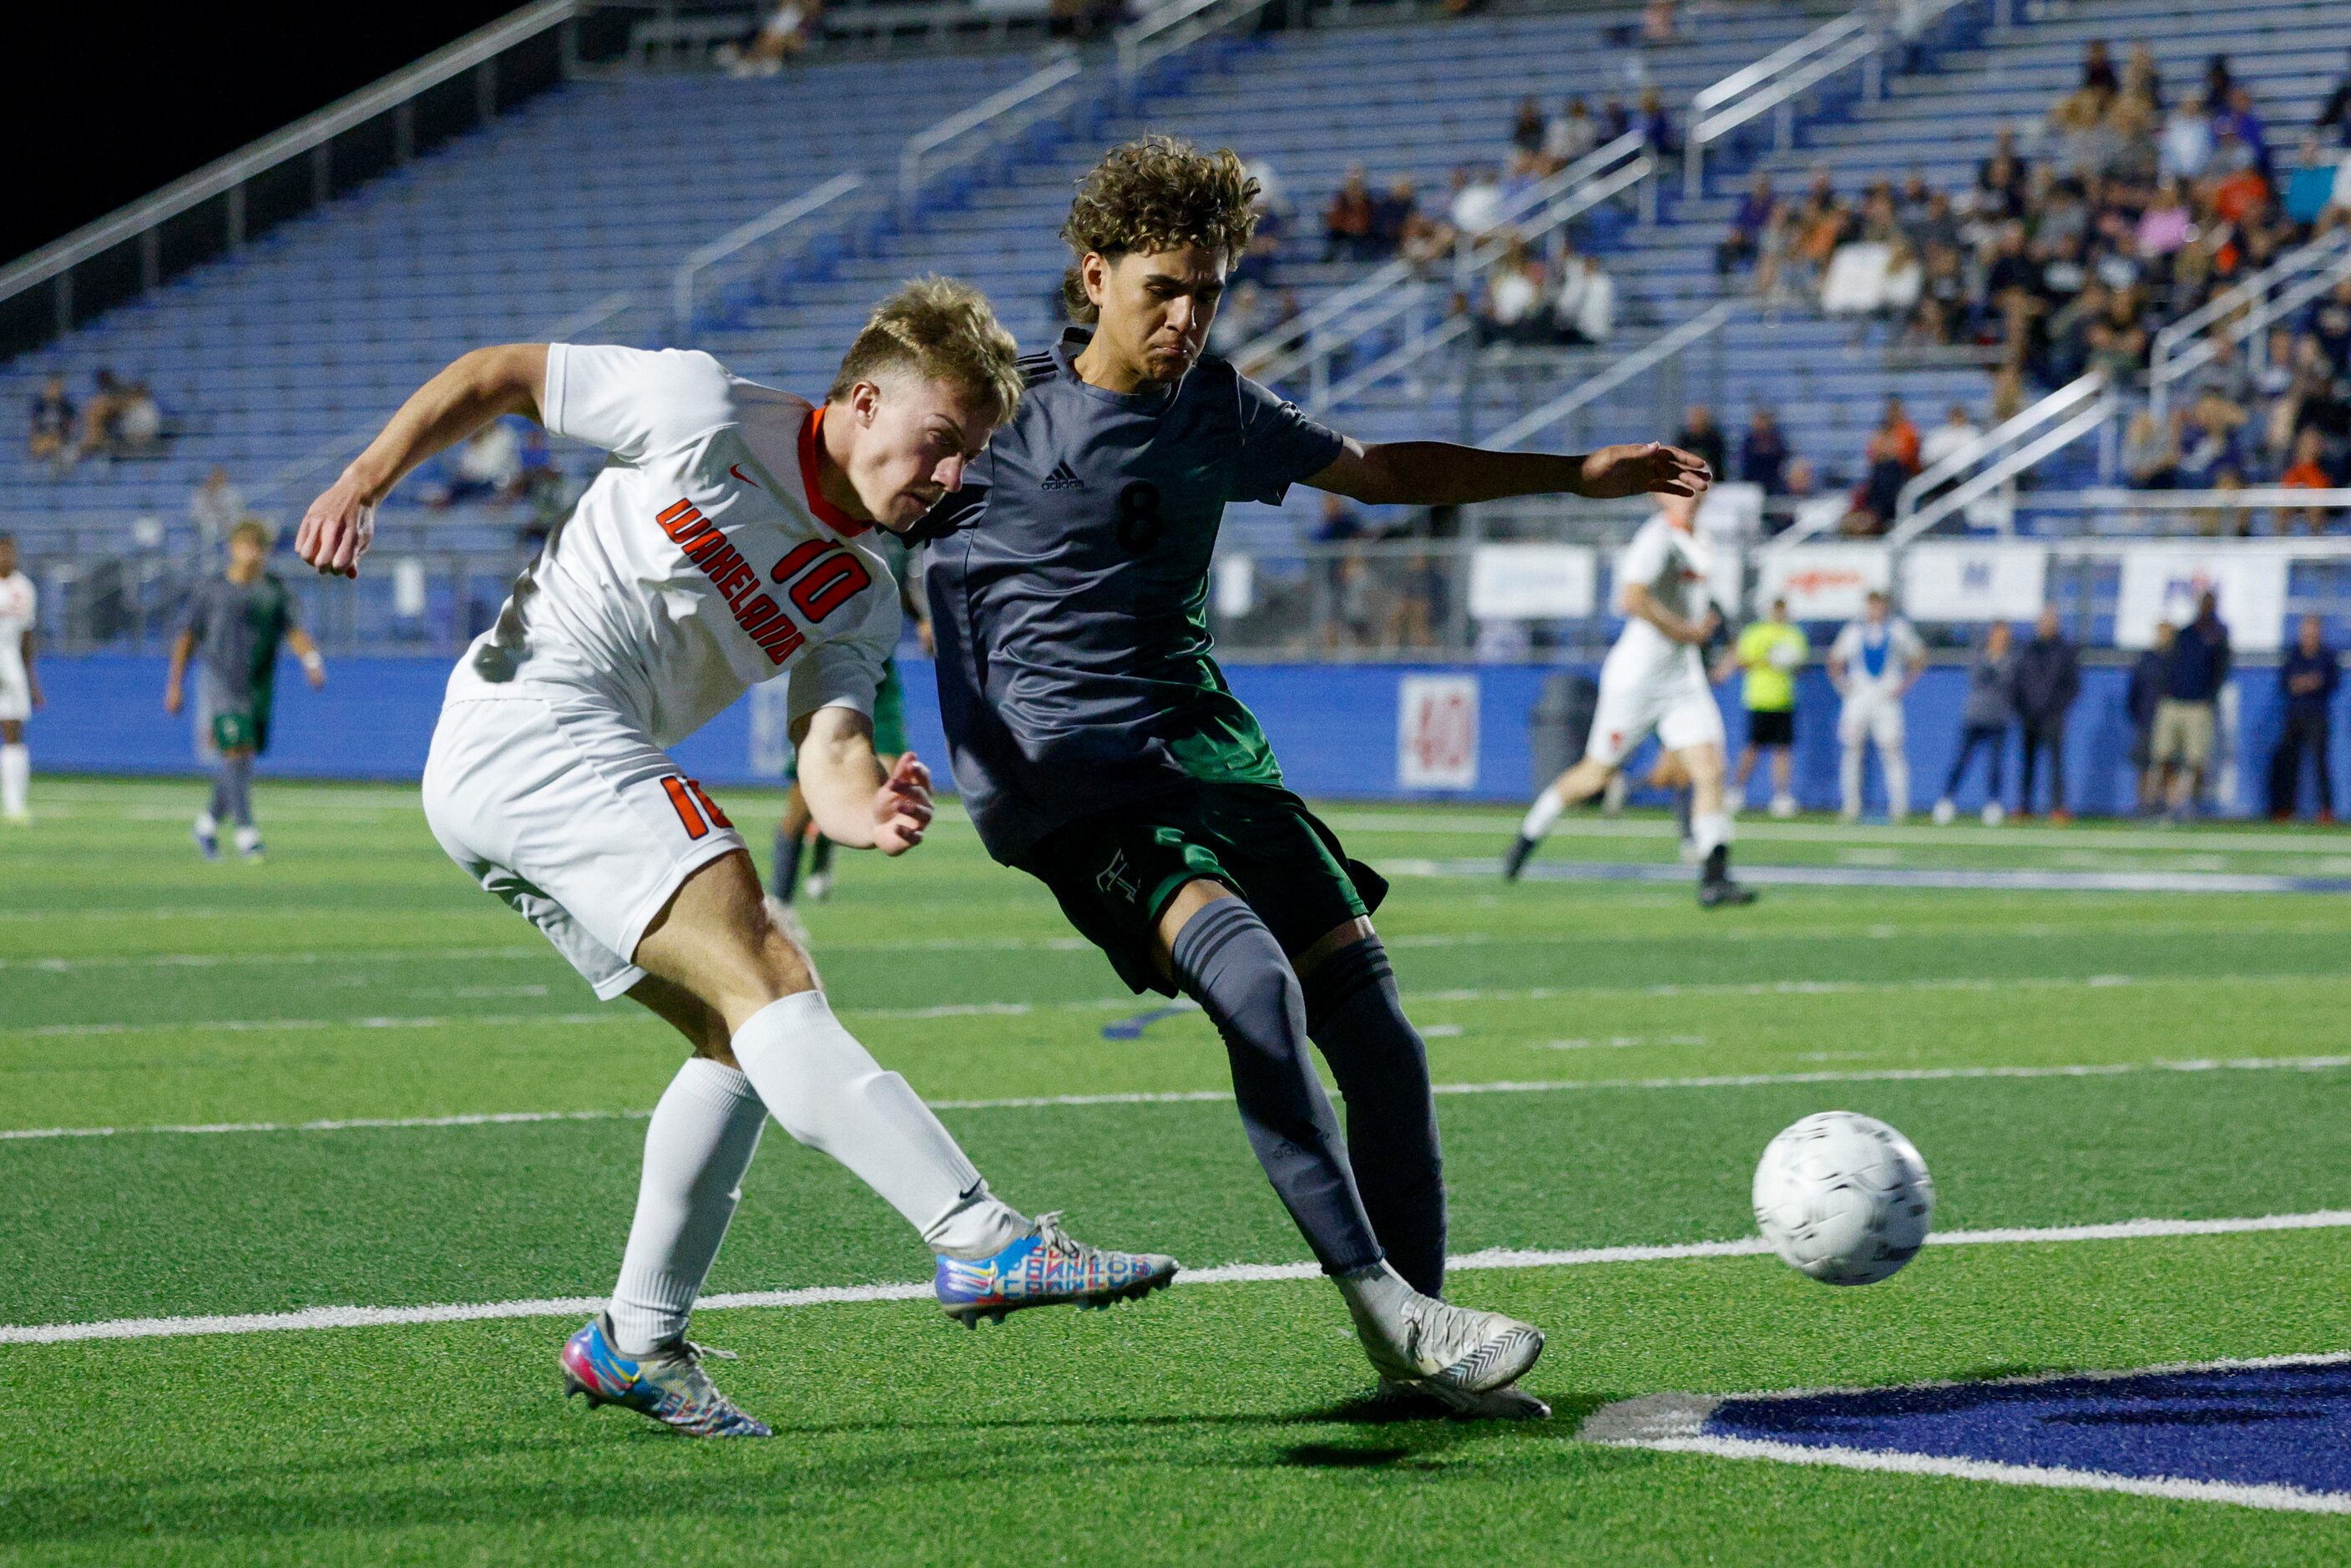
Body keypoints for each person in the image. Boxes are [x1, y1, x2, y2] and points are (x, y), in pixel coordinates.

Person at [291, 281, 1176, 1440]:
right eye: (940, 443)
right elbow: (499, 371)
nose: (950, 477)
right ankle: (980, 1236)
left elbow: (833, 738)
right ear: (863, 402)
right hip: (535, 720)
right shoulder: (699, 403)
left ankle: (635, 1341)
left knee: (738, 1034)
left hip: (529, 771)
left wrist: (857, 810)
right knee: (770, 967)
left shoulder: (861, 584)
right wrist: (365, 478)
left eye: (967, 458)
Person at [917, 137, 1710, 1419]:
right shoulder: (994, 421)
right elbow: (851, 496)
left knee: (1384, 1049)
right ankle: (1385, 1309)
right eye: (1162, 287)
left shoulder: (1217, 408)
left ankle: (1426, 1355)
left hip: (1215, 756)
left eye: (1209, 291)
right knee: (1254, 985)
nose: (1185, 316)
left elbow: (1386, 471)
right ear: (1093, 274)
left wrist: (1574, 474)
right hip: (1084, 787)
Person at [1509, 490, 1753, 905]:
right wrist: (1684, 631)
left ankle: (1714, 876)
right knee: (1594, 775)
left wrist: (1703, 630)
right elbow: (1632, 598)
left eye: (1699, 485)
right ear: (1661, 495)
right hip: (1637, 679)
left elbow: (1694, 603)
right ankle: (1526, 838)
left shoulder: (1702, 539)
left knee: (1710, 770)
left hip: (1681, 677)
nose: (1692, 496)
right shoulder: (1654, 539)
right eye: (1681, 486)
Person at [771, 529, 929, 913]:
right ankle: (779, 905)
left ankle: (827, 839)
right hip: (825, 668)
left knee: (887, 784)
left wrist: (924, 617)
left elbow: (910, 589)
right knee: (802, 801)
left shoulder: (902, 535)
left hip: (881, 673)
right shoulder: (824, 526)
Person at [164, 520, 327, 860]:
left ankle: (207, 825)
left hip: (259, 687)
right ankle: (246, 833)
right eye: (246, 546)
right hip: (220, 683)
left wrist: (311, 661)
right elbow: (186, 637)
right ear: (232, 549)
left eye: (259, 548)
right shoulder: (211, 590)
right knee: (237, 752)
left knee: (240, 758)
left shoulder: (273, 591)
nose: (253, 554)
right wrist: (175, 684)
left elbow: (294, 629)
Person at [1830, 590, 1925, 822]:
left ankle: (1899, 807)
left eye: (1878, 605)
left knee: (1892, 750)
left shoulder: (1897, 629)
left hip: (1886, 698)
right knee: (1852, 750)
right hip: (1859, 697)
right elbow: (1834, 660)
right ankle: (1851, 805)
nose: (1874, 610)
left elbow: (1919, 656)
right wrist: (1842, 684)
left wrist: (1904, 685)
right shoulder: (1853, 631)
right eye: (1871, 605)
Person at [2152, 589, 2231, 819]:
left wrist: (2208, 696)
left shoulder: (2218, 636)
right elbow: (2169, 664)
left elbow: (2220, 671)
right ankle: (2169, 800)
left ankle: (2193, 805)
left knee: (2197, 759)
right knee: (2164, 754)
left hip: (2198, 705)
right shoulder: (2185, 633)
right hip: (2174, 701)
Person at [1725, 594, 1806, 817]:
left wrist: (1788, 662)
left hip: (1784, 699)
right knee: (1752, 747)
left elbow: (1800, 667)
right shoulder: (1756, 632)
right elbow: (1741, 661)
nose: (1780, 613)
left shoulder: (1794, 634)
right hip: (1759, 698)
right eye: (1777, 609)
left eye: (1783, 609)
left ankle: (1781, 796)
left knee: (1782, 750)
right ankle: (1736, 791)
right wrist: (1768, 660)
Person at [1934, 620, 2016, 827]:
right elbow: (1980, 676)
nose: (1999, 639)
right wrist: (1993, 663)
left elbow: (2009, 680)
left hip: (1999, 716)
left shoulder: (2012, 658)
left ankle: (1993, 804)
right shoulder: (1980, 654)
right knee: (1961, 760)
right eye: (1997, 634)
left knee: (1995, 764)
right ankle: (1947, 800)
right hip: (1975, 715)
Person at [2268, 613, 2338, 822]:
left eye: (2313, 630)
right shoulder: (2294, 655)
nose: (2309, 635)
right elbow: (2285, 683)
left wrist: (2309, 683)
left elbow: (2331, 683)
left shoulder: (2326, 655)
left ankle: (2326, 810)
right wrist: (2309, 682)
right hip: (2295, 716)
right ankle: (2285, 808)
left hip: (2317, 716)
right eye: (2306, 630)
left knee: (2320, 764)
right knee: (2289, 764)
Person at [2013, 605, 2081, 822]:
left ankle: (2058, 807)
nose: (2045, 626)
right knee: (2028, 762)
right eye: (2043, 622)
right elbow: (2017, 681)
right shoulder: (2029, 648)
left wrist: (2058, 707)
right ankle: (2024, 806)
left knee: (2055, 763)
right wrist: (2021, 707)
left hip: (2053, 715)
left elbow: (2073, 685)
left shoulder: (2064, 650)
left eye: (2049, 622)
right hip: (2029, 715)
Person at [0, 534, 38, 826]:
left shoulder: (24, 588)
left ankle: (14, 804)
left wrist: (32, 681)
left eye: (10, 551)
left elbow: (27, 638)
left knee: (13, 730)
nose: (7, 557)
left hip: (10, 663)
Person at [2129, 620, 2173, 814]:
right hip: (2147, 717)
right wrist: (2137, 713)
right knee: (2145, 764)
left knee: (2168, 762)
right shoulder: (2147, 659)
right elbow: (2135, 690)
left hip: (2169, 718)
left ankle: (2167, 805)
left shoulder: (2177, 659)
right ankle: (2144, 803)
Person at [28, 375, 73, 467]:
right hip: (43, 437)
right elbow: (34, 427)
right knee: (40, 445)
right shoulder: (39, 405)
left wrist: (61, 437)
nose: (55, 391)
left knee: (57, 444)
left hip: (59, 438)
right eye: (52, 387)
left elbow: (70, 427)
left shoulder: (67, 406)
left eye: (57, 388)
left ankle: (56, 465)